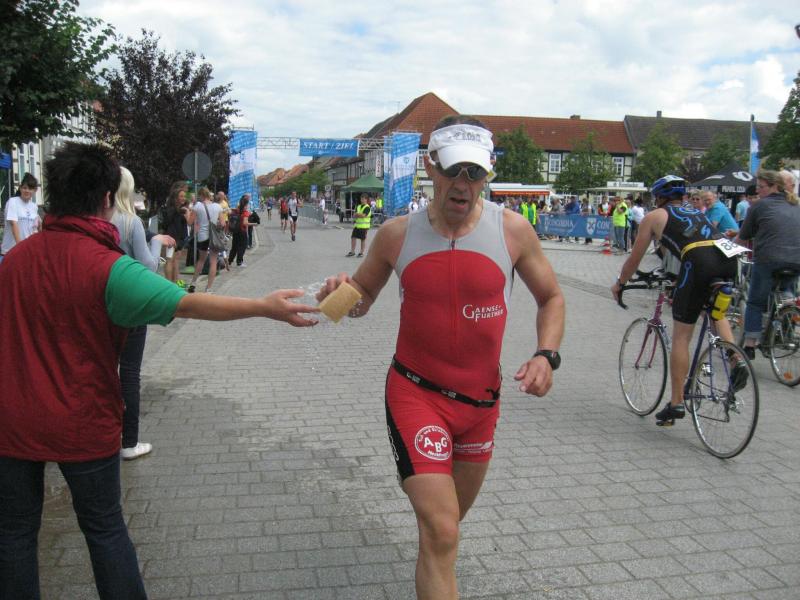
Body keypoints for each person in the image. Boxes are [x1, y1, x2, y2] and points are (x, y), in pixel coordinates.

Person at [0, 142, 318, 600]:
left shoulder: (14, 260)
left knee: (13, 534)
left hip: (11, 420)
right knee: (104, 530)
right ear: (107, 198)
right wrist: (263, 306)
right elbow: (187, 304)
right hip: (82, 420)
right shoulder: (109, 268)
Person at [318, 116, 564, 599]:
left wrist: (546, 355)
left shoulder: (513, 231)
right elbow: (360, 297)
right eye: (453, 170)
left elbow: (552, 297)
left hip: (480, 405)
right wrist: (335, 298)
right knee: (444, 530)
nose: (463, 184)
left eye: (475, 173)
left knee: (444, 530)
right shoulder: (396, 234)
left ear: (488, 174)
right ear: (430, 167)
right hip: (417, 396)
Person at [611, 175, 747, 426]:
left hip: (699, 263)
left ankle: (676, 403)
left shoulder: (654, 217)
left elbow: (634, 259)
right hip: (727, 258)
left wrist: (620, 283)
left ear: (659, 197)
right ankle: (735, 359)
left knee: (682, 336)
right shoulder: (696, 211)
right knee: (715, 312)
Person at [111, 167, 176, 460]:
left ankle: (103, 435)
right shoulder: (130, 222)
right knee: (129, 373)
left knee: (103, 369)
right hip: (131, 306)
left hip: (101, 304)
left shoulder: (97, 219)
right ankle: (129, 442)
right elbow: (148, 266)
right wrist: (157, 242)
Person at [736, 170, 800, 359]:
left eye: (761, 187)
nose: (758, 191)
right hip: (796, 260)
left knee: (755, 302)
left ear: (774, 186)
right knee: (786, 290)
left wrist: (725, 248)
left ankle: (749, 345)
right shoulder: (795, 204)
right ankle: (787, 316)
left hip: (768, 259)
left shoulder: (759, 206)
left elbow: (742, 237)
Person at [188, 187, 223, 293]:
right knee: (213, 262)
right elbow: (222, 223)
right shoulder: (218, 206)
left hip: (202, 236)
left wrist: (188, 214)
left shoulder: (198, 206)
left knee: (201, 260)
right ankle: (208, 289)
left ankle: (193, 283)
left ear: (201, 195)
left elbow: (189, 222)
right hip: (214, 237)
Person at [1, 173, 40, 263]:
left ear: (35, 190)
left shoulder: (34, 206)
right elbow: (13, 224)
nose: (27, 191)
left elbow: (34, 229)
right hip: (11, 251)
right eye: (25, 188)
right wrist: (20, 248)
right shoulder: (13, 202)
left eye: (30, 188)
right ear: (20, 188)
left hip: (27, 253)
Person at [161, 181, 192, 284]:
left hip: (177, 238)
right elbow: (168, 224)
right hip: (172, 238)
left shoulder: (178, 209)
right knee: (170, 260)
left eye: (184, 196)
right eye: (181, 196)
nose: (184, 198)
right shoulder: (174, 210)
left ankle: (174, 282)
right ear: (176, 197)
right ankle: (169, 283)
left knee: (173, 260)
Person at [346, 193, 372, 257]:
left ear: (366, 200)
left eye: (363, 199)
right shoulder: (358, 206)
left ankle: (361, 252)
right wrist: (358, 214)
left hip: (364, 226)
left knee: (362, 239)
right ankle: (352, 252)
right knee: (353, 237)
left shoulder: (367, 207)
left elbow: (363, 215)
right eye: (361, 199)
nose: (362, 200)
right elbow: (354, 215)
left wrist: (357, 214)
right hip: (357, 225)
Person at [229, 194, 251, 267]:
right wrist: (253, 224)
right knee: (242, 247)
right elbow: (245, 223)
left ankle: (229, 261)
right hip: (242, 231)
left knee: (234, 247)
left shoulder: (237, 210)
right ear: (246, 205)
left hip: (236, 230)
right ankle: (239, 262)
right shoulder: (245, 212)